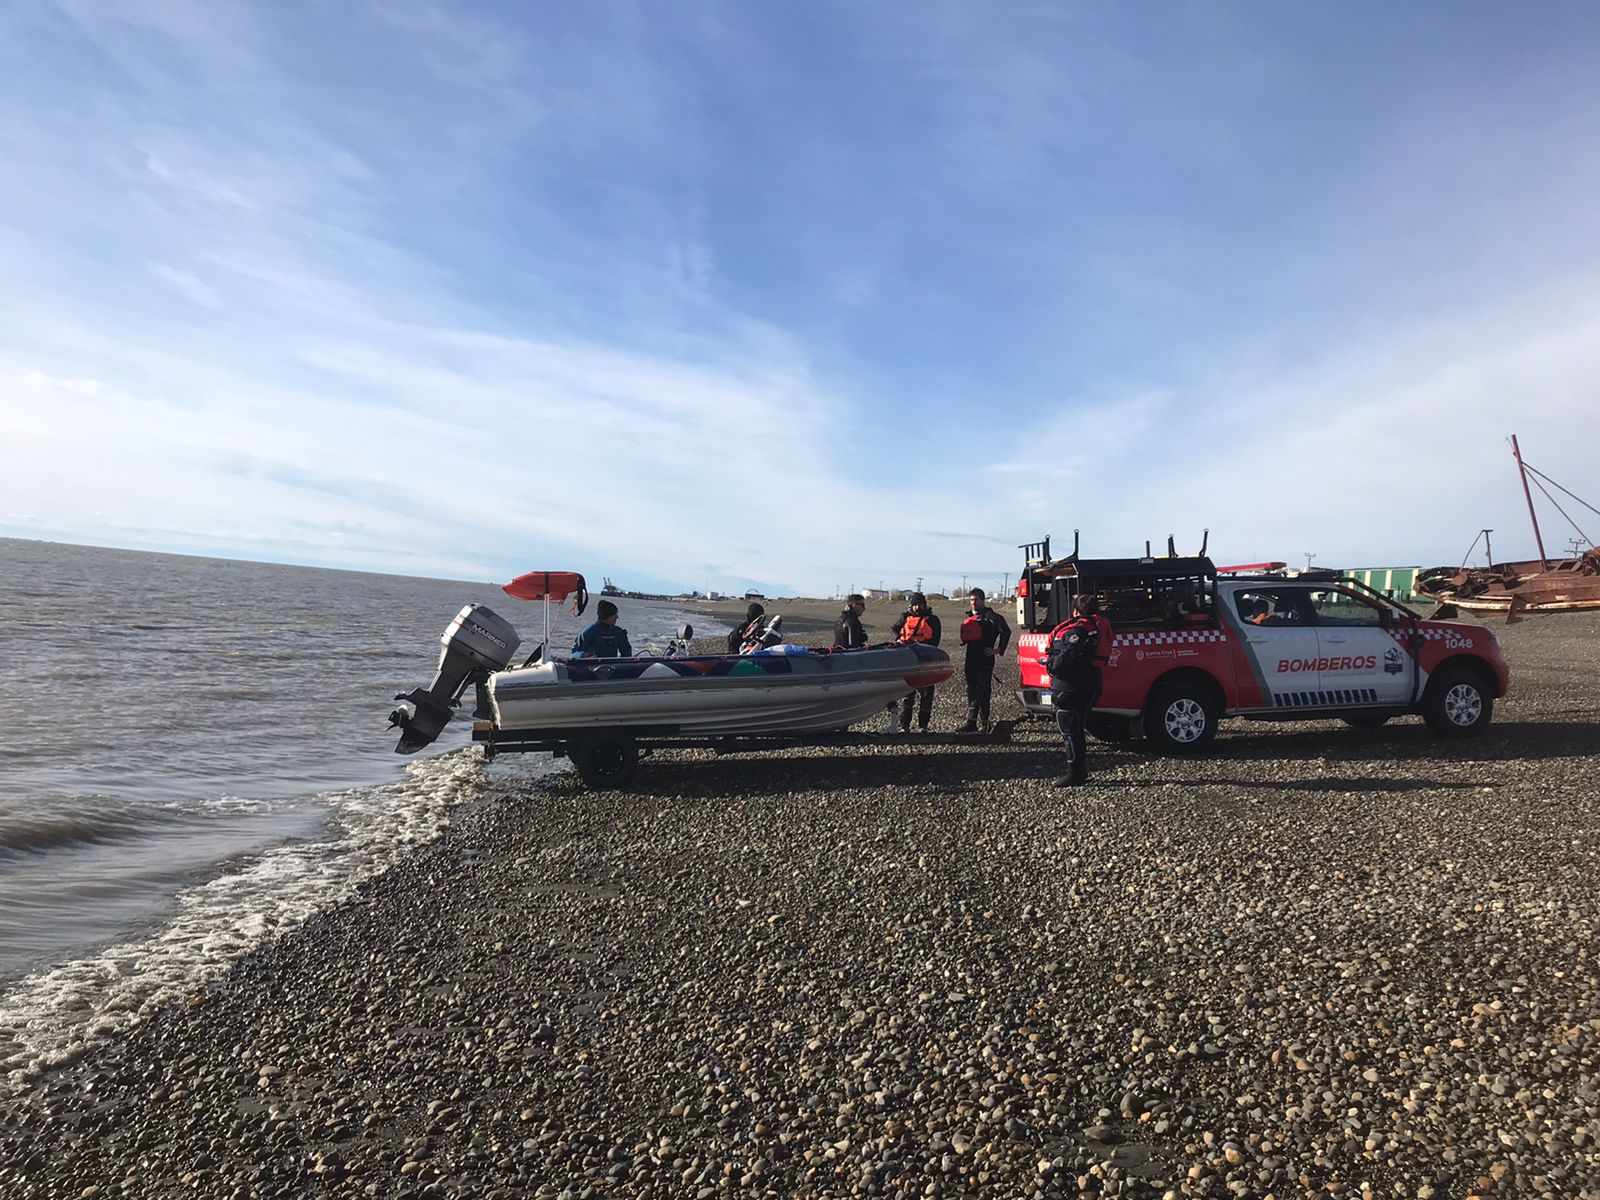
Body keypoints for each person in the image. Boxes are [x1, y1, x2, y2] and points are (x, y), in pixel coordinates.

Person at [1046, 593, 1110, 786]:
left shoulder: (1077, 632)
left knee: (1071, 731)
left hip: (1072, 688)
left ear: (1075, 611)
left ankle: (1075, 772)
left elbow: (1066, 659)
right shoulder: (1095, 628)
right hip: (1088, 684)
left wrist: (1050, 665)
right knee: (1076, 729)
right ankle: (1077, 770)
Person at [957, 587, 1010, 733]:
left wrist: (998, 650)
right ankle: (971, 722)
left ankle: (985, 724)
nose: (973, 603)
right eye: (971, 600)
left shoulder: (992, 616)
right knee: (971, 690)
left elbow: (1006, 631)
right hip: (971, 658)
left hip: (985, 659)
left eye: (976, 600)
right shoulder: (969, 617)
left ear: (982, 600)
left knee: (983, 691)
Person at [891, 592, 942, 732]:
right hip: (908, 660)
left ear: (925, 604)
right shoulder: (904, 617)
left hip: (926, 661)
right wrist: (899, 639)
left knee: (926, 695)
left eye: (920, 604)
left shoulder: (933, 620)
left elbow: (935, 641)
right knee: (908, 694)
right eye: (915, 604)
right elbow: (895, 629)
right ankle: (904, 725)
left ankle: (923, 725)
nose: (917, 607)